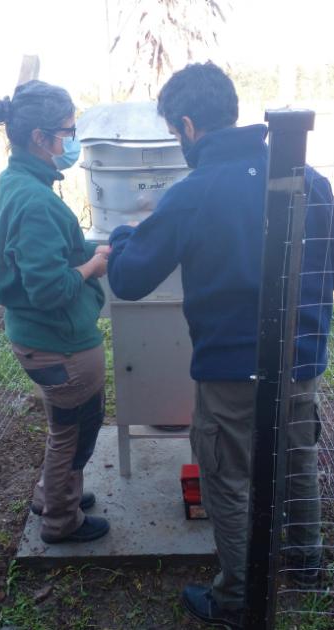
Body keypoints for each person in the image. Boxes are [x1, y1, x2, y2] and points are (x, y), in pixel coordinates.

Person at [106, 62, 333, 629]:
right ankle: (306, 561)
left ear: (186, 126)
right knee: (297, 455)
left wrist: (123, 235)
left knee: (228, 477)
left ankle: (236, 598)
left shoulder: (194, 193)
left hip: (231, 371)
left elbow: (130, 278)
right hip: (301, 360)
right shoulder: (312, 182)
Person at [0, 80, 111, 545]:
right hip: (58, 342)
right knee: (73, 432)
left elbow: (47, 252)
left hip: (41, 340)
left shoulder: (17, 181)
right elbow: (49, 287)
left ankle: (52, 493)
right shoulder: (36, 200)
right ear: (40, 138)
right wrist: (94, 265)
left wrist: (90, 247)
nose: (72, 139)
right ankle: (61, 519)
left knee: (67, 425)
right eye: (68, 130)